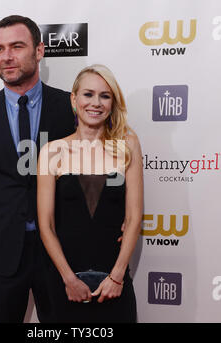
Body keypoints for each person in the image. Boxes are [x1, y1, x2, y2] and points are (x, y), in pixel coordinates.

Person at [0, 15, 74, 323]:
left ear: (40, 51)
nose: (6, 56)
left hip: (61, 252)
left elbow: (91, 176)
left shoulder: (68, 107)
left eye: (17, 46)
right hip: (0, 253)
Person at [37, 64, 143, 322]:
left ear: (112, 103)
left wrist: (117, 277)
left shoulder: (127, 145)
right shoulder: (52, 151)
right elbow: (46, 225)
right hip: (65, 283)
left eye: (105, 96)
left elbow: (134, 217)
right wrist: (69, 279)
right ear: (74, 100)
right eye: (88, 94)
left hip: (114, 282)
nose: (96, 103)